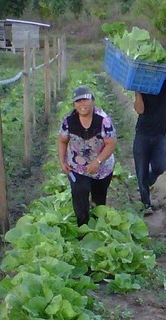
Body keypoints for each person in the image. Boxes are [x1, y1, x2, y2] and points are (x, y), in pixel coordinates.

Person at [57, 85, 117, 226]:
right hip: (77, 167)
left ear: (93, 101)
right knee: (79, 193)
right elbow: (62, 140)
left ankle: (98, 228)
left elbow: (111, 143)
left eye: (85, 100)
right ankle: (82, 228)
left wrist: (98, 162)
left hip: (102, 167)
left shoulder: (103, 120)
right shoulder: (68, 121)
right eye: (78, 101)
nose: (82, 104)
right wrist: (62, 161)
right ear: (74, 104)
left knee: (99, 200)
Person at [133, 65, 166, 214]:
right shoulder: (143, 88)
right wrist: (138, 92)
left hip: (159, 135)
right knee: (141, 171)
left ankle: (148, 182)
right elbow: (140, 110)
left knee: (160, 166)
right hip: (142, 135)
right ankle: (146, 205)